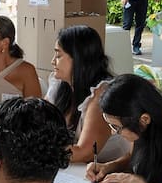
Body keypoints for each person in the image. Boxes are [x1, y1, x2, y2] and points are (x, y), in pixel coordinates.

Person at [46, 25, 126, 164]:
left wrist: (34, 151)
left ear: (78, 59)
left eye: (58, 55)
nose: (53, 61)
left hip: (107, 175)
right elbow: (38, 122)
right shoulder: (60, 85)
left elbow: (85, 152)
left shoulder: (102, 94)